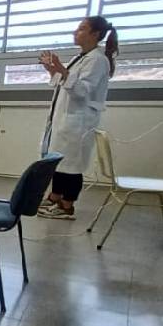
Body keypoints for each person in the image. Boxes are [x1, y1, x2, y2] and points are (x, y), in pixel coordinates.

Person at [38, 16, 118, 220]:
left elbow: (82, 91)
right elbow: (65, 83)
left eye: (82, 29)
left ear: (95, 34)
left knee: (72, 166)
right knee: (59, 161)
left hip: (79, 122)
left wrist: (62, 70)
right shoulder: (82, 57)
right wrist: (53, 70)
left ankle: (67, 205)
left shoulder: (97, 60)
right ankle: (55, 198)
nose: (76, 32)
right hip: (66, 119)